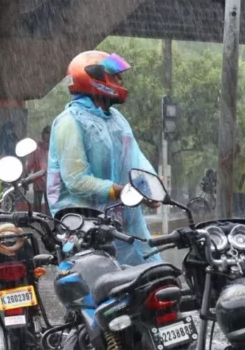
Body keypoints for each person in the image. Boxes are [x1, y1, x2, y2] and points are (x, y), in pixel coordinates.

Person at [47, 50, 160, 266]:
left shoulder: (117, 119)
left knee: (154, 276)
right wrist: (118, 191)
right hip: (87, 229)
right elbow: (76, 180)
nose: (121, 80)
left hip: (126, 224)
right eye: (115, 75)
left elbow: (135, 158)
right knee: (99, 281)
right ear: (96, 78)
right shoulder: (69, 122)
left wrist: (151, 187)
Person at [27, 126, 50, 213]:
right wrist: (27, 173)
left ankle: (43, 218)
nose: (48, 136)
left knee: (46, 205)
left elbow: (30, 164)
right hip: (40, 180)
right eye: (47, 133)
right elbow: (30, 163)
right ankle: (41, 218)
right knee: (41, 205)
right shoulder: (38, 149)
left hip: (46, 181)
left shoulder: (52, 148)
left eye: (49, 134)